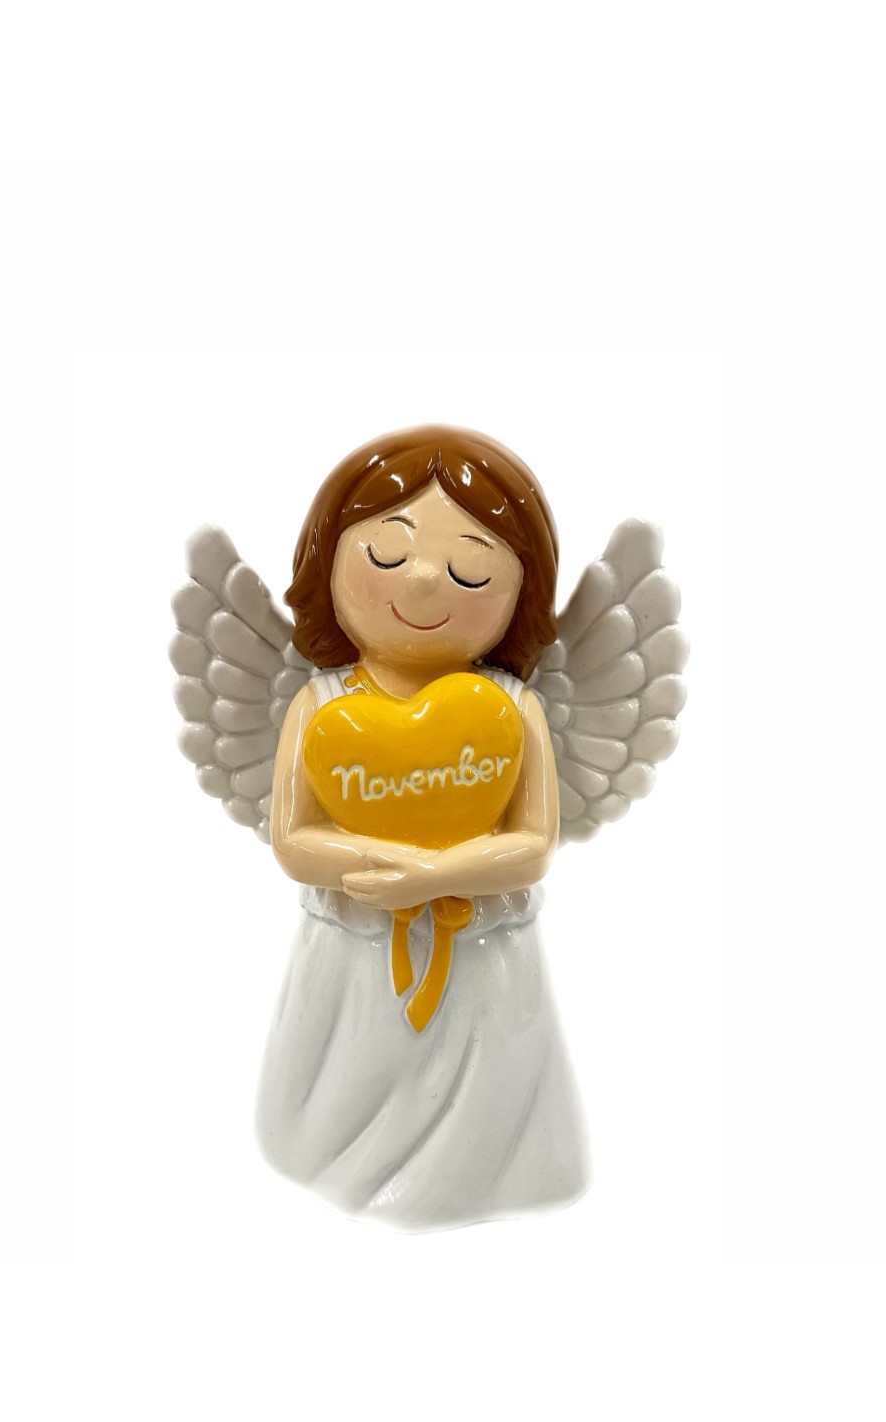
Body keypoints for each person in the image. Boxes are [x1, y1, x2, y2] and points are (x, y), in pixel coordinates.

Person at [256, 425, 590, 1230]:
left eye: (472, 569)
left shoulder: (514, 709)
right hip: (354, 944)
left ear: (520, 594)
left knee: (487, 1085)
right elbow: (293, 841)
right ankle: (332, 1165)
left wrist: (439, 876)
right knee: (346, 1078)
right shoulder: (320, 705)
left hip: (482, 946)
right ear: (327, 563)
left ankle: (485, 1173)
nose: (425, 579)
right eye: (385, 553)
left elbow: (534, 845)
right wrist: (382, 863)